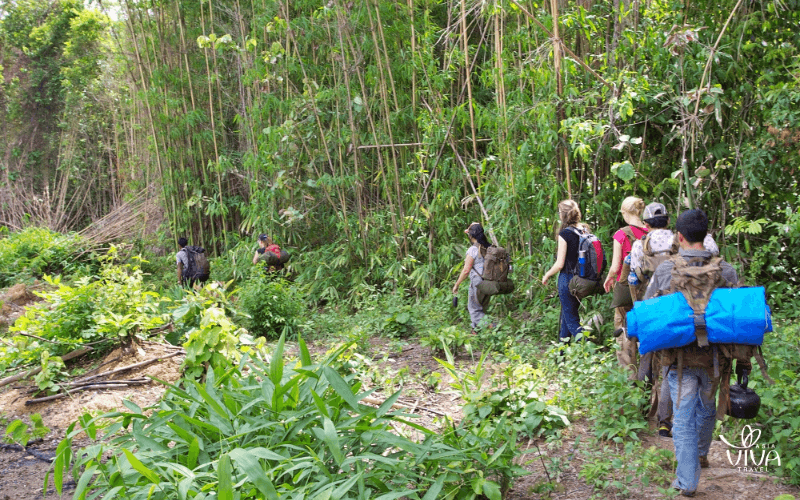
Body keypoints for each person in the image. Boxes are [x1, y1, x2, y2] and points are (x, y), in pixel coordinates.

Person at [644, 209, 738, 497]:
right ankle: (699, 454)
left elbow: (648, 307)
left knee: (683, 416)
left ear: (679, 236)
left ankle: (686, 481)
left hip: (678, 358)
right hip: (715, 357)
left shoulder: (665, 269)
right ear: (706, 235)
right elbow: (737, 315)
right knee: (707, 409)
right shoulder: (726, 270)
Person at [629, 202, 720, 438]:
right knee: (702, 390)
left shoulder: (642, 245)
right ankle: (690, 435)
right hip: (706, 318)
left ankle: (647, 413)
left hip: (666, 313)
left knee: (656, 362)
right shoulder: (714, 254)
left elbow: (637, 279)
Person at [603, 196, 648, 378]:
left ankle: (629, 379)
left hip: (625, 289)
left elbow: (615, 266)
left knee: (624, 330)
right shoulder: (650, 232)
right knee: (645, 327)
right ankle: (647, 377)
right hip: (646, 288)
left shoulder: (621, 234)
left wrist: (608, 279)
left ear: (624, 213)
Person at [541, 200, 587, 342]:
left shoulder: (565, 234)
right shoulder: (584, 230)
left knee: (572, 320)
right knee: (567, 317)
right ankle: (562, 355)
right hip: (582, 280)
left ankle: (591, 350)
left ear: (563, 215)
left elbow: (560, 264)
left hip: (567, 279)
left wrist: (547, 274)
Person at [453, 222, 492, 333]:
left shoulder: (473, 250)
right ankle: (476, 332)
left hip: (478, 283)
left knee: (474, 309)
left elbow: (466, 270)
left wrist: (457, 284)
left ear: (471, 236)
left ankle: (491, 327)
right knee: (481, 309)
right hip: (489, 283)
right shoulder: (489, 248)